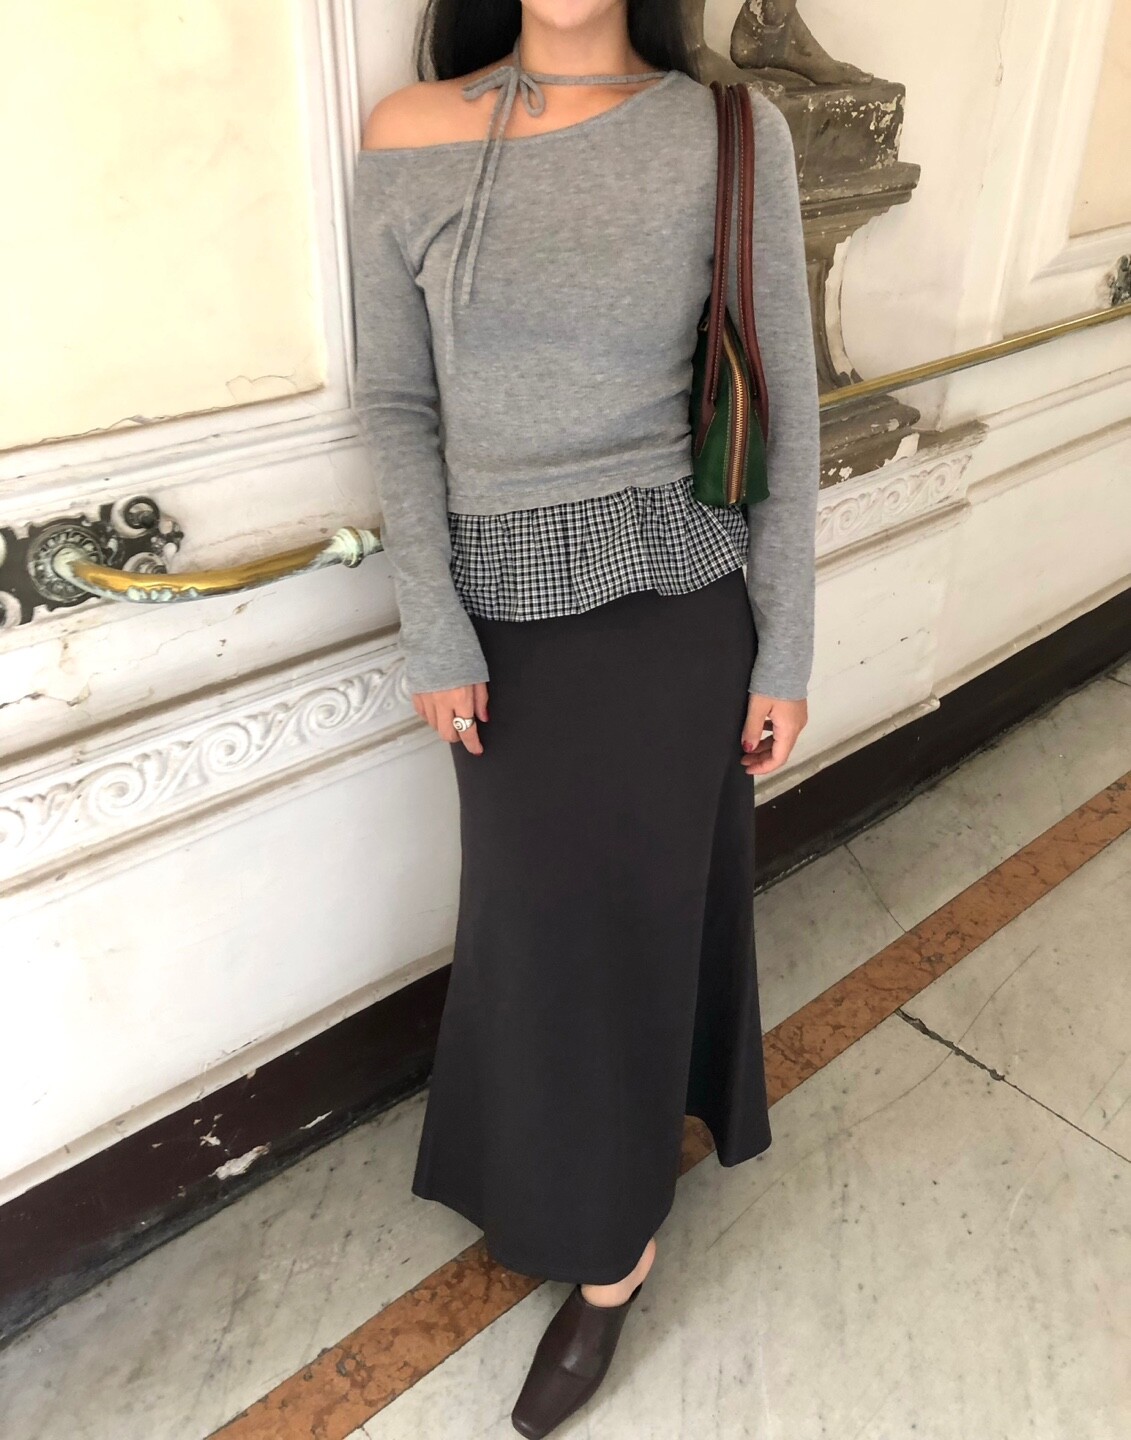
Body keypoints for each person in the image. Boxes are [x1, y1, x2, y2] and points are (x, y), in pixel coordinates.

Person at [350, 0, 819, 1432]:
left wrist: (786, 650)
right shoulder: (410, 134)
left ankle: (613, 1252)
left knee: (643, 922)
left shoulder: (730, 130)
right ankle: (557, 1166)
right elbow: (397, 403)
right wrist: (433, 625)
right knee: (537, 925)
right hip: (501, 621)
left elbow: (787, 402)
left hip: (679, 608)